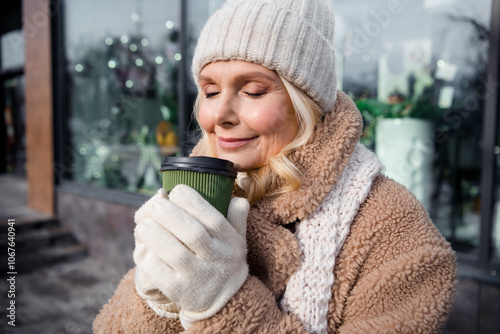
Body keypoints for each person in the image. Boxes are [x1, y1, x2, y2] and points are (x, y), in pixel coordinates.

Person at [93, 0, 456, 333]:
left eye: (252, 90)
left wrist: (224, 304)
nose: (219, 114)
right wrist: (159, 300)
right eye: (210, 90)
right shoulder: (194, 191)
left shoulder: (395, 230)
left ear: (306, 104)